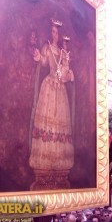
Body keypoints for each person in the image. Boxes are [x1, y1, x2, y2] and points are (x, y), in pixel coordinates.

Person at [29, 19, 74, 190]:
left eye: (56, 32)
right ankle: (43, 164)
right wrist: (38, 56)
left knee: (59, 124)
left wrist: (66, 66)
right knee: (47, 122)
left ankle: (60, 163)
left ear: (60, 34)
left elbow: (64, 73)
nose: (54, 34)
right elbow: (44, 63)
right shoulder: (47, 47)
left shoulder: (64, 52)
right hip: (48, 87)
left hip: (59, 89)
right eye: (52, 31)